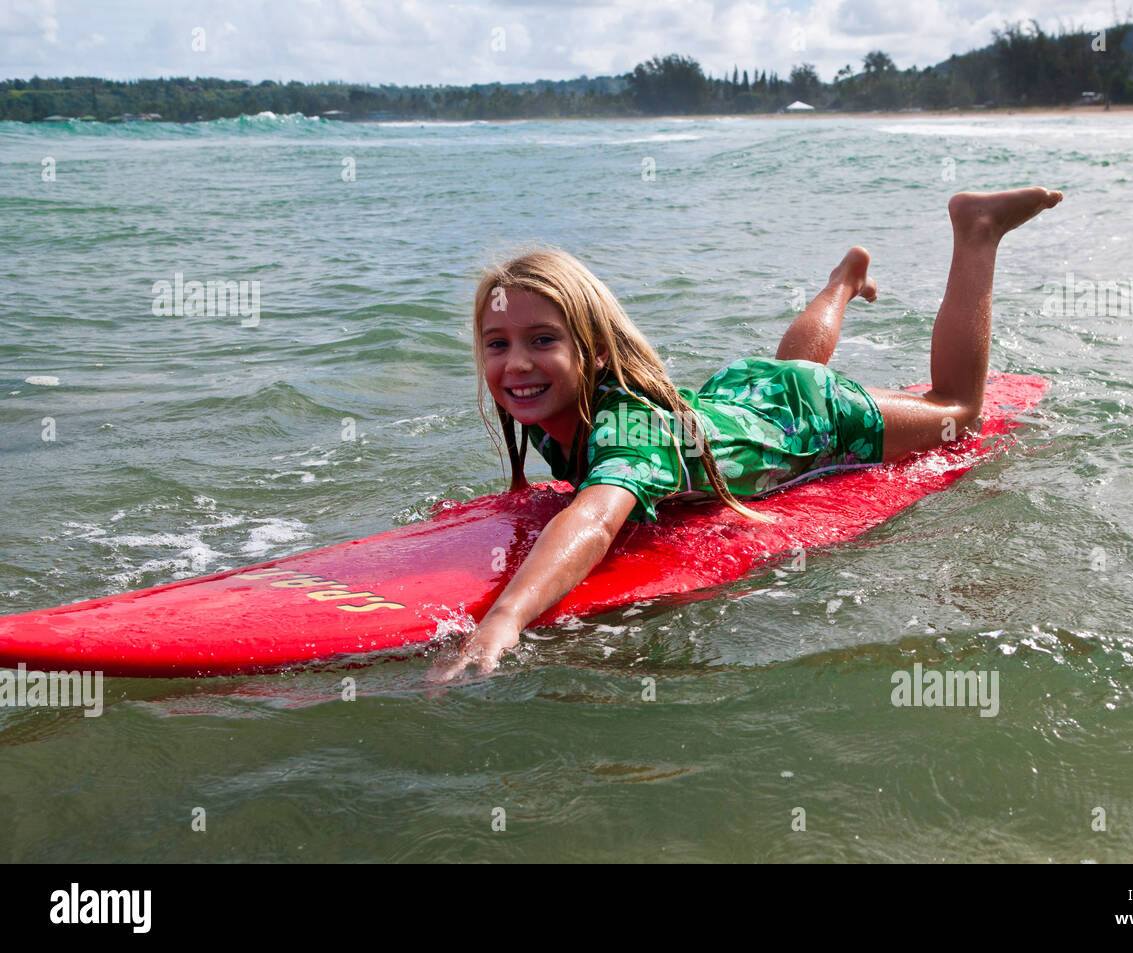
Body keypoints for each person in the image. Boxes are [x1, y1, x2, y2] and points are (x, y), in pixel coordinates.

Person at [433, 187, 1064, 681]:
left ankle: (977, 230)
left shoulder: (626, 424)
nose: (515, 363)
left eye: (542, 340)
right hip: (742, 398)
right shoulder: (548, 407)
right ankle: (844, 281)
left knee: (957, 410)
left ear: (595, 351)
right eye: (498, 344)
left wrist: (505, 619)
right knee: (790, 369)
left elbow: (596, 520)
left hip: (812, 417)